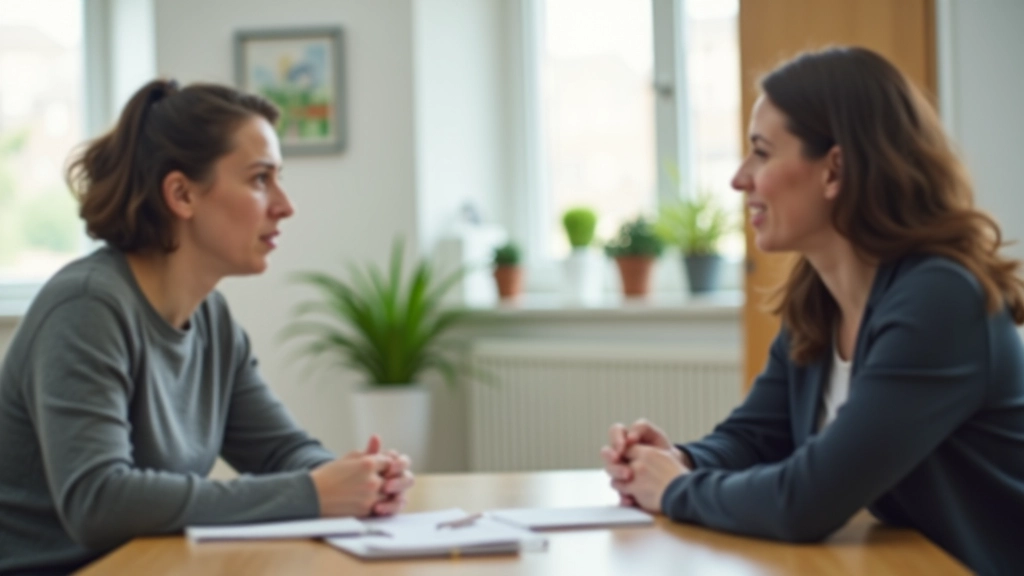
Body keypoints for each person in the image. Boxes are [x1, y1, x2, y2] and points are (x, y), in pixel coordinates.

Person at [601, 47, 1024, 576]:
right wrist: (680, 461)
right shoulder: (819, 297)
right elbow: (756, 438)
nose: (739, 178)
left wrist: (678, 490)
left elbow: (807, 500)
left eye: (761, 152)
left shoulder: (941, 300)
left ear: (835, 169)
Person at [0, 80, 414, 574]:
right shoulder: (87, 308)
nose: (285, 205)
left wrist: (357, 479)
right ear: (181, 194)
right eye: (261, 179)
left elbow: (282, 449)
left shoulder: (211, 320)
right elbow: (99, 501)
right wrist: (311, 493)